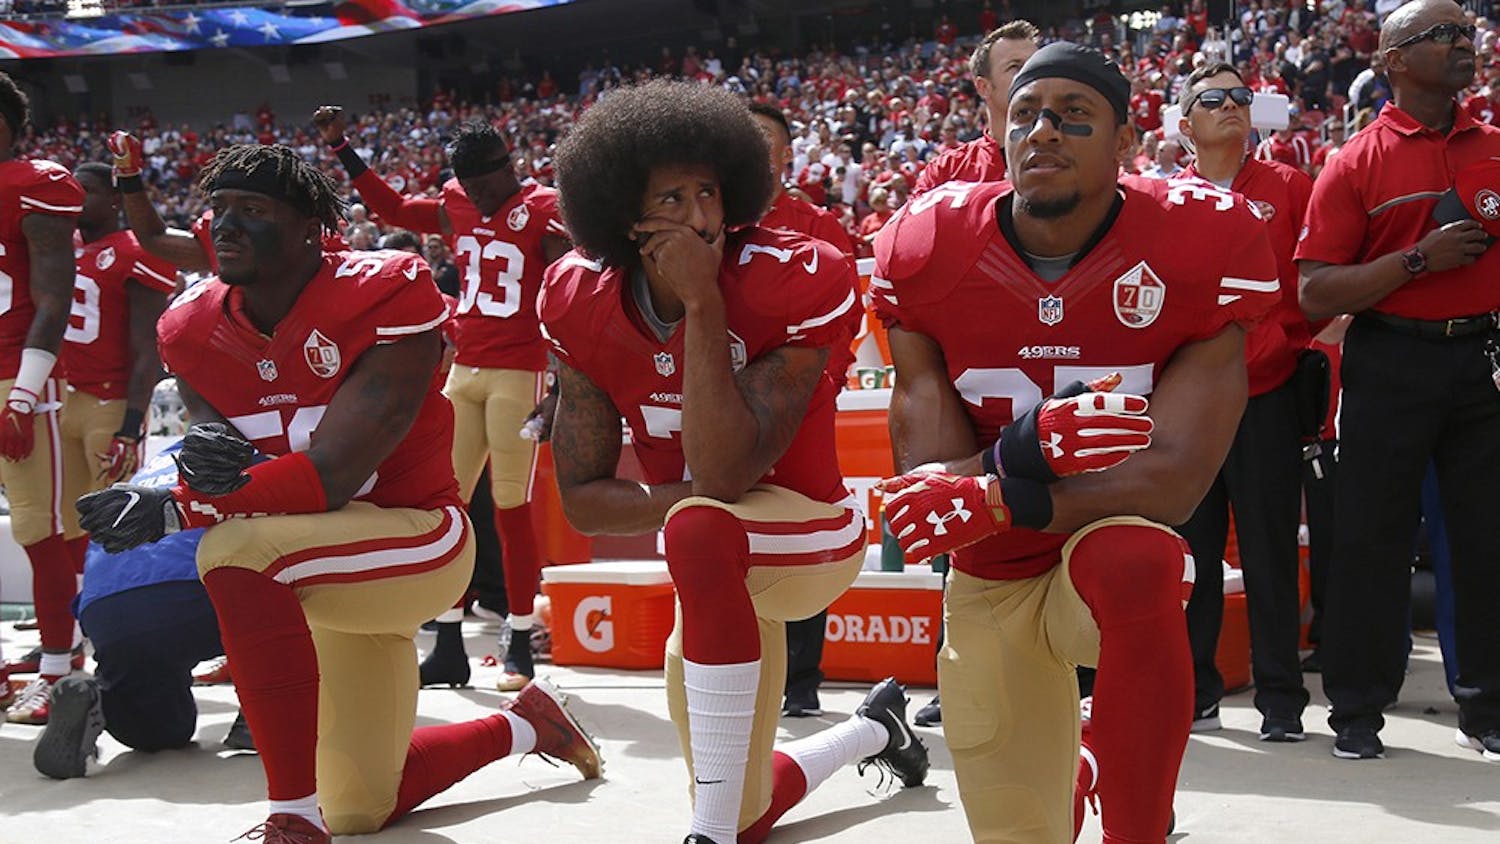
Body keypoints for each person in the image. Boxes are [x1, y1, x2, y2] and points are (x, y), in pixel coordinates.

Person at [76, 143, 601, 842]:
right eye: (219, 209)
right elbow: (222, 468)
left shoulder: (385, 290)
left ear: (309, 231)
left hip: (416, 537)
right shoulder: (191, 327)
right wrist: (189, 481)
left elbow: (331, 476)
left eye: (253, 210)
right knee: (360, 806)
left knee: (235, 549)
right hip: (321, 567)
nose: (225, 225)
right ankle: (525, 726)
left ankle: (291, 820)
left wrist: (176, 506)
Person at [872, 43, 1279, 842]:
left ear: (1127, 143)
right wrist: (1021, 452)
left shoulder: (1200, 240)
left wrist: (1002, 484)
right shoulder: (929, 245)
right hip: (992, 570)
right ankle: (1084, 765)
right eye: (1025, 114)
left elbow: (1172, 484)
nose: (1043, 131)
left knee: (1138, 557)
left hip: (1097, 543)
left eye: (1075, 116)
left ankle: (1138, 828)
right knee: (1018, 830)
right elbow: (927, 493)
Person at [542, 79, 927, 844]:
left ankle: (704, 835)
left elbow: (723, 477)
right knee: (749, 810)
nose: (703, 218)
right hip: (708, 549)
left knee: (697, 526)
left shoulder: (795, 274)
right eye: (673, 201)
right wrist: (689, 496)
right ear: (624, 216)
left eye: (710, 193)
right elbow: (584, 499)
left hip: (811, 528)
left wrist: (703, 303)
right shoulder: (576, 297)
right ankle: (873, 733)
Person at [1296, 0, 1500, 761]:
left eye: (1466, 32)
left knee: (1486, 543)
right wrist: (1418, 259)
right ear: (1392, 59)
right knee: (1371, 545)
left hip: (1482, 361)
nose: (1462, 43)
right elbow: (1314, 294)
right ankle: (1356, 711)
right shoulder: (1356, 161)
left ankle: (1486, 710)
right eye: (1441, 35)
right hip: (1389, 362)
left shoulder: (1496, 146)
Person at [316, 107, 570, 692]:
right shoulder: (457, 200)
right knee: (445, 507)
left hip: (520, 371)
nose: (479, 196)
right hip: (469, 367)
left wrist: (560, 383)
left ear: (509, 168)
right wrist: (343, 149)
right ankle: (449, 639)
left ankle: (518, 639)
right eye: (471, 185)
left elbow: (567, 295)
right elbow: (395, 212)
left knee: (511, 508)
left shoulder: (545, 208)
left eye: (487, 183)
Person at [1172, 62, 1316, 742]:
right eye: (1213, 99)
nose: (1232, 106)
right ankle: (1196, 689)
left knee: (1268, 552)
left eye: (1241, 97)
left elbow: (1314, 290)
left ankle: (1281, 700)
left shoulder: (1290, 187)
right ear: (1184, 125)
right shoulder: (1161, 202)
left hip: (1267, 396)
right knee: (1192, 554)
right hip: (1191, 408)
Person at [34, 440, 252, 782]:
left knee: (164, 731)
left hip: (107, 607)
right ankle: (259, 715)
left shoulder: (156, 463)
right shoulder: (260, 449)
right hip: (198, 589)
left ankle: (100, 701)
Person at [747, 101, 858, 720]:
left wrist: (824, 385)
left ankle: (803, 677)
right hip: (729, 412)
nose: (756, 150)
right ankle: (745, 667)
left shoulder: (818, 226)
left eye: (766, 140)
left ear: (787, 155)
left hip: (804, 405)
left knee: (809, 525)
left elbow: (845, 320)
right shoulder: (711, 221)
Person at [0, 70, 87, 722]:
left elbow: (53, 295)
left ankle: (59, 670)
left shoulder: (36, 183)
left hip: (16, 373)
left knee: (40, 528)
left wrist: (25, 394)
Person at [913, 20, 1041, 192]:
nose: (1031, 73)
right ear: (983, 87)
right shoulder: (946, 172)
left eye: (1036, 65)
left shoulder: (1077, 155)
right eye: (1015, 67)